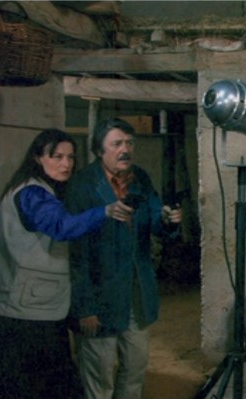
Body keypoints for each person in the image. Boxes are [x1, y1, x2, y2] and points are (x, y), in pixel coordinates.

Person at [0, 129, 129, 399]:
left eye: (70, 157)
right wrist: (105, 211)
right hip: (21, 314)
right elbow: (60, 226)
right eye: (57, 156)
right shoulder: (33, 194)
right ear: (38, 158)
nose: (66, 164)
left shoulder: (43, 190)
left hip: (32, 307)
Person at [66, 117, 182, 399]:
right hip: (100, 299)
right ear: (99, 150)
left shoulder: (139, 178)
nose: (125, 149)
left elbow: (155, 219)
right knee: (99, 379)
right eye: (116, 143)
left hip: (136, 296)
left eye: (129, 143)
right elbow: (74, 254)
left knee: (134, 371)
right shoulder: (82, 186)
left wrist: (168, 220)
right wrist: (84, 308)